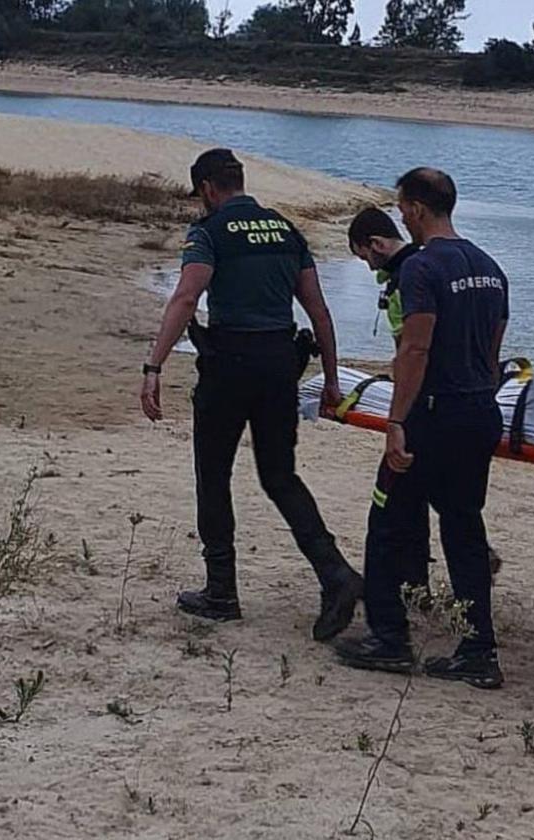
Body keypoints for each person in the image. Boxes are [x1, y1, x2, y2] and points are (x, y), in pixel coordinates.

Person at [139, 148, 363, 641]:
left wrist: (154, 364)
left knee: (213, 473)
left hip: (229, 366)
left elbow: (186, 297)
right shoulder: (287, 231)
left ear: (207, 190)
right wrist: (329, 378)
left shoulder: (209, 232)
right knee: (280, 476)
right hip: (281, 365)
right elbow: (319, 311)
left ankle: (221, 590)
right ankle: (336, 574)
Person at [336, 168, 509, 689]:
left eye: (403, 207)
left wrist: (396, 422)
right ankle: (478, 647)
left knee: (386, 518)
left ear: (413, 209)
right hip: (479, 408)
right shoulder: (490, 266)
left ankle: (389, 637)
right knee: (463, 527)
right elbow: (495, 344)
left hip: (433, 413)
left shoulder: (423, 268)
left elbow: (415, 347)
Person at [347, 207, 421, 349]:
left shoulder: (403, 281)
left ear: (377, 244)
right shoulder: (426, 262)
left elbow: (409, 345)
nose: (371, 268)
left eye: (366, 258)